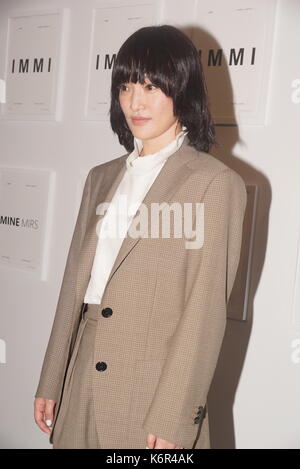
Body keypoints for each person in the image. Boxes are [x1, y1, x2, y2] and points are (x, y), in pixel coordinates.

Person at [33, 24, 247, 449]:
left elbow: (203, 313)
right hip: (81, 378)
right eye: (127, 85)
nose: (136, 101)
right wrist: (52, 376)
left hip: (153, 393)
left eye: (151, 86)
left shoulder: (213, 183)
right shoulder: (101, 178)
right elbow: (74, 286)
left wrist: (174, 416)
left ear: (181, 90)